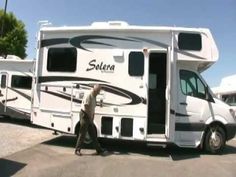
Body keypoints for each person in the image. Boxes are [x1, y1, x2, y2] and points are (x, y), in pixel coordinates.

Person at [75, 84, 105, 156]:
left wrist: (92, 117)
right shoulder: (89, 95)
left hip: (89, 116)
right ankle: (77, 150)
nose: (98, 93)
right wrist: (90, 117)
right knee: (82, 133)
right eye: (98, 92)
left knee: (93, 134)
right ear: (95, 90)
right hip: (84, 115)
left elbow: (93, 108)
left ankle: (99, 150)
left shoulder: (94, 96)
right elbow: (86, 106)